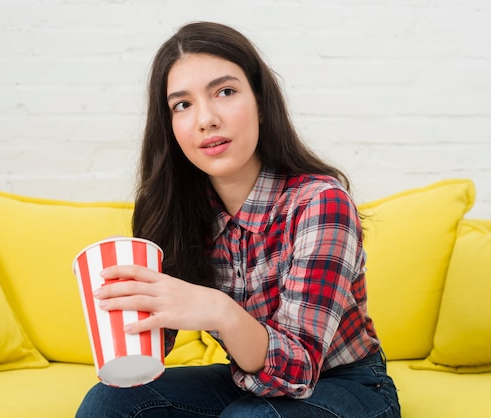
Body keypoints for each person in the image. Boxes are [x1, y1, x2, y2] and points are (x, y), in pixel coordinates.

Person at [76, 21, 401, 418]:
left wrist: (219, 310)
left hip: (346, 383)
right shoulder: (179, 211)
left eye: (225, 92)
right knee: (110, 403)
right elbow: (153, 349)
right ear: (171, 125)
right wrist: (131, 314)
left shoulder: (320, 202)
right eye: (183, 104)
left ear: (261, 103)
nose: (206, 119)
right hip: (246, 383)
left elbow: (298, 369)